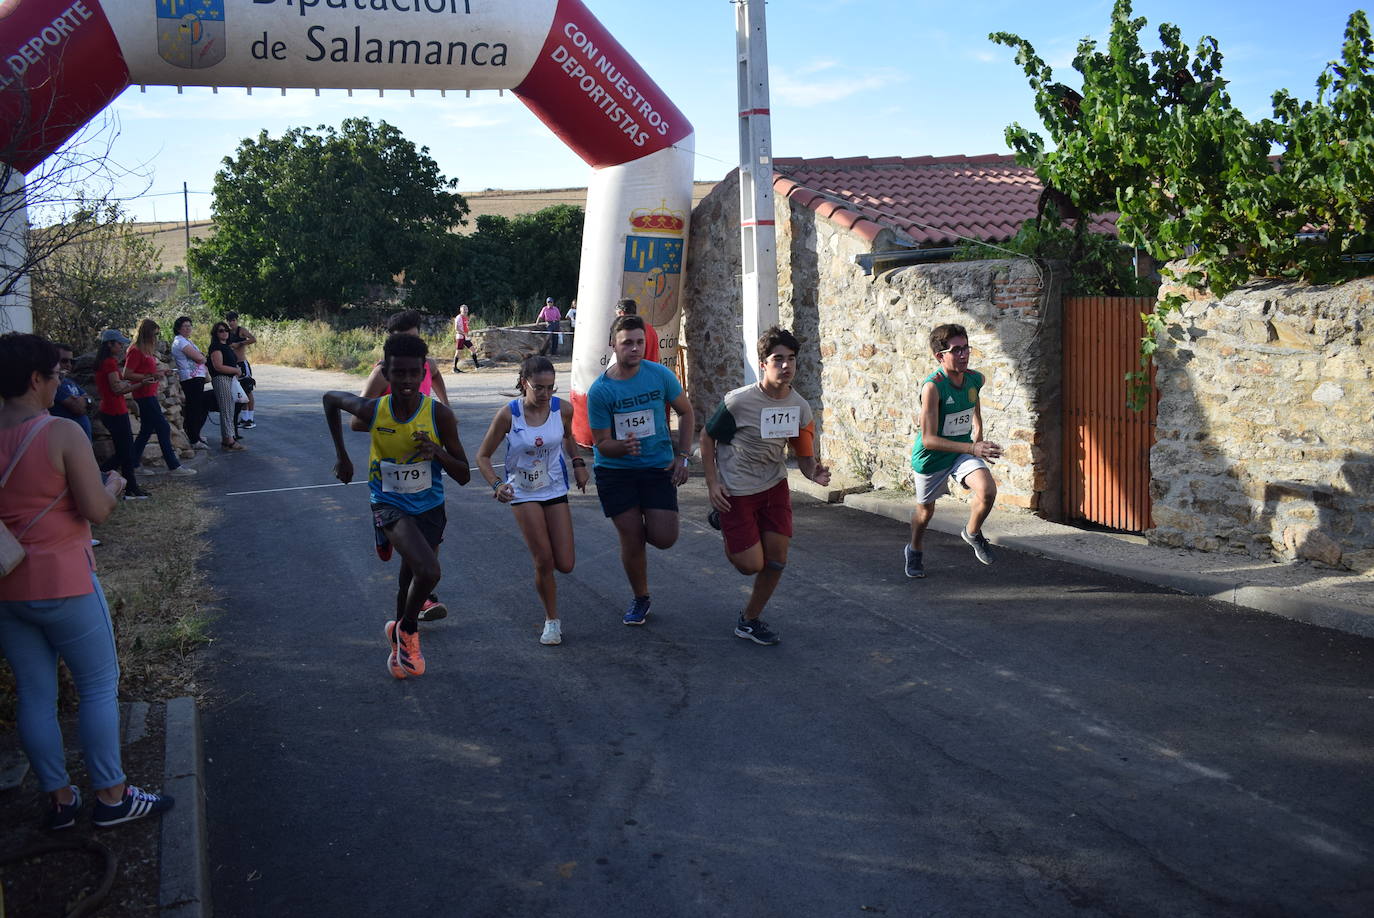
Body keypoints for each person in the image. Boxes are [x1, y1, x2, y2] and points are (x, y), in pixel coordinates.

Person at [0, 332, 174, 829]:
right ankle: (113, 796)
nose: (59, 383)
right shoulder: (59, 433)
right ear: (35, 380)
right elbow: (96, 510)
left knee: (36, 695)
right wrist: (114, 484)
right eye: (55, 375)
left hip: (7, 584)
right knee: (98, 687)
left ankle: (59, 800)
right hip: (65, 580)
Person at [322, 334, 472, 680]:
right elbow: (330, 400)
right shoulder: (374, 409)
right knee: (430, 571)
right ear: (386, 374)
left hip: (429, 506)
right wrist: (342, 457)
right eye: (398, 373)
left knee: (411, 577)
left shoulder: (440, 416)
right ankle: (407, 629)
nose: (405, 381)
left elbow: (463, 475)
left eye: (412, 374)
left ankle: (399, 646)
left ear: (424, 374)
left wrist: (438, 453)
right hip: (388, 502)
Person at [699, 326, 830, 645]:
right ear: (763, 364)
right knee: (750, 565)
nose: (786, 366)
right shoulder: (739, 401)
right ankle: (727, 527)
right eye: (778, 359)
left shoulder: (800, 408)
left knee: (776, 560)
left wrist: (815, 473)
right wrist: (713, 484)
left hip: (773, 487)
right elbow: (707, 437)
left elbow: (804, 458)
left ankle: (749, 620)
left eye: (791, 359)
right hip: (737, 490)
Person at [587, 314, 695, 625]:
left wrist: (683, 456)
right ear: (613, 345)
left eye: (639, 342)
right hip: (616, 472)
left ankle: (636, 535)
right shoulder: (601, 391)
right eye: (627, 343)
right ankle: (640, 597)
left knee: (664, 537)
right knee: (632, 537)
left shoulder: (660, 375)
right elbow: (601, 443)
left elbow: (686, 413)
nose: (634, 348)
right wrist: (622, 447)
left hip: (656, 467)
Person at [475, 356, 589, 645]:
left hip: (554, 488)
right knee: (544, 560)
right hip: (523, 492)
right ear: (524, 383)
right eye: (539, 388)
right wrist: (497, 484)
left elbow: (567, 437)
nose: (545, 394)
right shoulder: (508, 415)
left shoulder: (562, 409)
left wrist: (577, 463)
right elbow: (483, 456)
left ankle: (551, 608)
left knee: (566, 563)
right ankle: (552, 621)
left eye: (551, 388)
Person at [353, 309, 451, 622]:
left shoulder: (428, 364)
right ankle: (413, 609)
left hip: (423, 466)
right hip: (390, 471)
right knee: (411, 541)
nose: (412, 346)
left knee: (428, 540)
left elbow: (435, 379)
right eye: (405, 341)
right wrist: (391, 424)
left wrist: (442, 409)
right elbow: (357, 420)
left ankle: (421, 598)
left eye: (416, 339)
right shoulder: (383, 372)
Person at [906, 323, 1002, 578]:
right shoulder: (933, 387)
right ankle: (914, 548)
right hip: (931, 457)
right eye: (956, 350)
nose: (964, 354)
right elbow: (928, 439)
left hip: (962, 451)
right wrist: (973, 446)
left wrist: (979, 438)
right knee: (925, 512)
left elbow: (974, 406)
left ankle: (972, 533)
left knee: (988, 491)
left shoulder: (975, 379)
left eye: (966, 348)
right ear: (940, 356)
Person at [126, 319, 195, 478]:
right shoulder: (135, 350)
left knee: (146, 430)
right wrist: (150, 375)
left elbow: (148, 371)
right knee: (163, 427)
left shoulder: (146, 350)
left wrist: (162, 373)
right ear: (147, 333)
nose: (156, 337)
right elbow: (127, 374)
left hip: (150, 393)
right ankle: (174, 466)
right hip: (143, 394)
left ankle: (133, 464)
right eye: (154, 334)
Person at [93, 329, 151, 499]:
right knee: (125, 452)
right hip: (115, 410)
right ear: (109, 344)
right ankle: (102, 476)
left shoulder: (104, 362)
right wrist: (141, 383)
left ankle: (131, 488)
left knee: (124, 452)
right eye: (118, 343)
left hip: (112, 410)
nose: (121, 346)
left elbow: (115, 385)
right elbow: (117, 389)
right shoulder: (109, 363)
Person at [171, 316, 211, 450]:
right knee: (194, 409)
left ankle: (196, 435)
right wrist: (201, 357)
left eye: (190, 325)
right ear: (178, 328)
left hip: (196, 378)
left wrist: (201, 357)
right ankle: (194, 439)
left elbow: (200, 356)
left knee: (198, 407)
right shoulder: (180, 342)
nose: (188, 328)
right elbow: (200, 357)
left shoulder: (186, 341)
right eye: (185, 326)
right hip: (190, 379)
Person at [207, 321, 247, 452]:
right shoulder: (216, 347)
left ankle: (227, 439)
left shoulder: (227, 346)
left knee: (230, 409)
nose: (224, 332)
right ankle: (229, 441)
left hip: (230, 380)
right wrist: (235, 370)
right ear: (216, 333)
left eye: (226, 330)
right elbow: (218, 366)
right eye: (221, 330)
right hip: (221, 379)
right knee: (226, 410)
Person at [49, 344, 92, 441]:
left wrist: (87, 401)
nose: (69, 364)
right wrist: (86, 402)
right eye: (64, 361)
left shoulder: (70, 382)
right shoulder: (55, 385)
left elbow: (92, 400)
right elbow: (78, 408)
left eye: (71, 361)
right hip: (68, 442)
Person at [225, 311, 257, 428]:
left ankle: (251, 418)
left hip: (242, 364)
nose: (231, 322)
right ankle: (244, 418)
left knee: (248, 390)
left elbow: (253, 339)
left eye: (233, 320)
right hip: (233, 365)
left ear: (236, 320)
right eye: (229, 320)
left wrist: (240, 343)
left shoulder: (241, 330)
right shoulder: (227, 332)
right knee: (239, 391)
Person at [616, 298, 660, 363]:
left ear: (621, 313)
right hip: (653, 370)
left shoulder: (628, 332)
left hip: (638, 371)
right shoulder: (651, 329)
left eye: (617, 316)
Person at [452, 304, 479, 372]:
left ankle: (477, 366)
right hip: (460, 337)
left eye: (466, 309)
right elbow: (456, 328)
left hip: (465, 337)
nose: (465, 310)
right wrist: (463, 333)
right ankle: (454, 368)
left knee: (473, 349)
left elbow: (466, 326)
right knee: (458, 352)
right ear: (461, 310)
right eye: (464, 309)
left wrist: (467, 332)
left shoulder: (466, 317)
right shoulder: (458, 317)